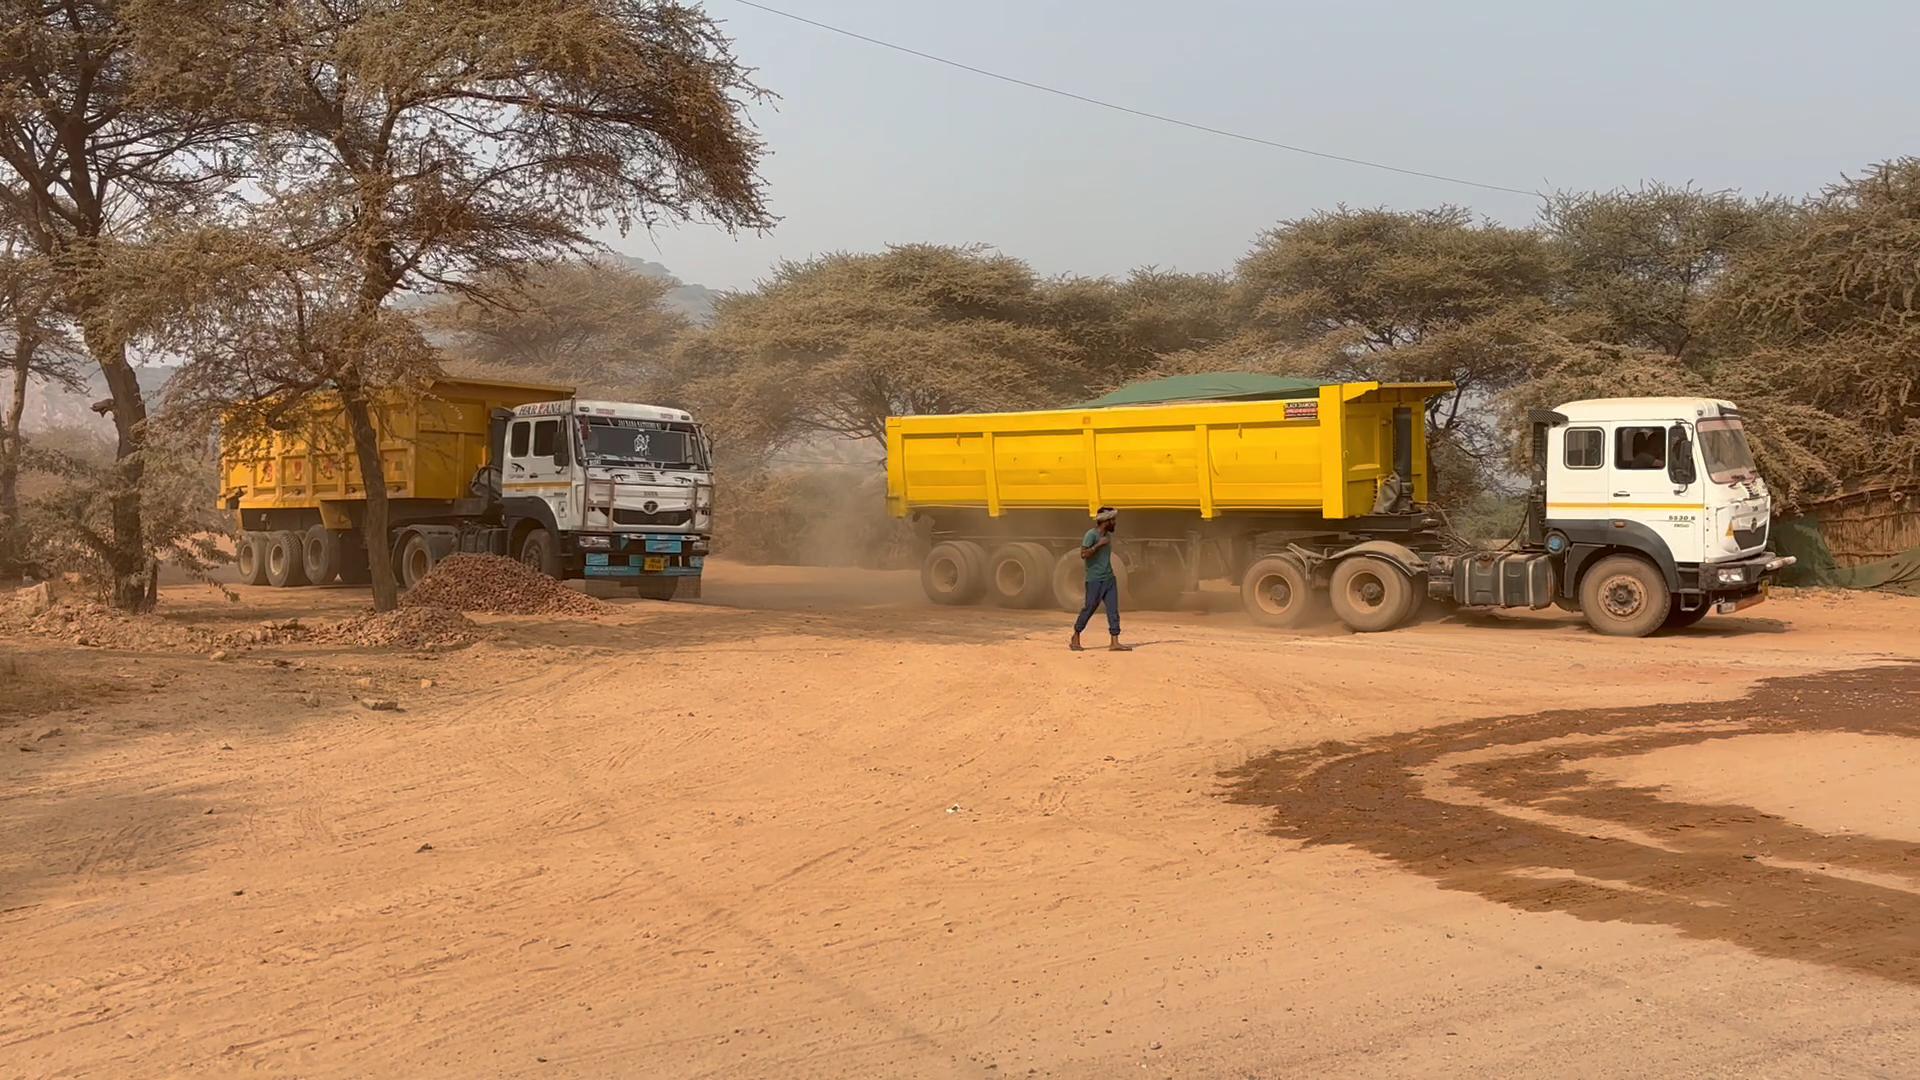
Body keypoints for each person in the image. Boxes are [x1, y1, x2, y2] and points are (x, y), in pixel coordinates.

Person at [1070, 507, 1130, 652]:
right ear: (1105, 521)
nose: (1114, 523)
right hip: (1094, 580)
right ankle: (1076, 637)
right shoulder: (1091, 535)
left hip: (1109, 578)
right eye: (1113, 520)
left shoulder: (1107, 536)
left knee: (1113, 610)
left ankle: (1114, 642)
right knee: (1089, 608)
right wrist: (1098, 545)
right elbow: (1083, 554)